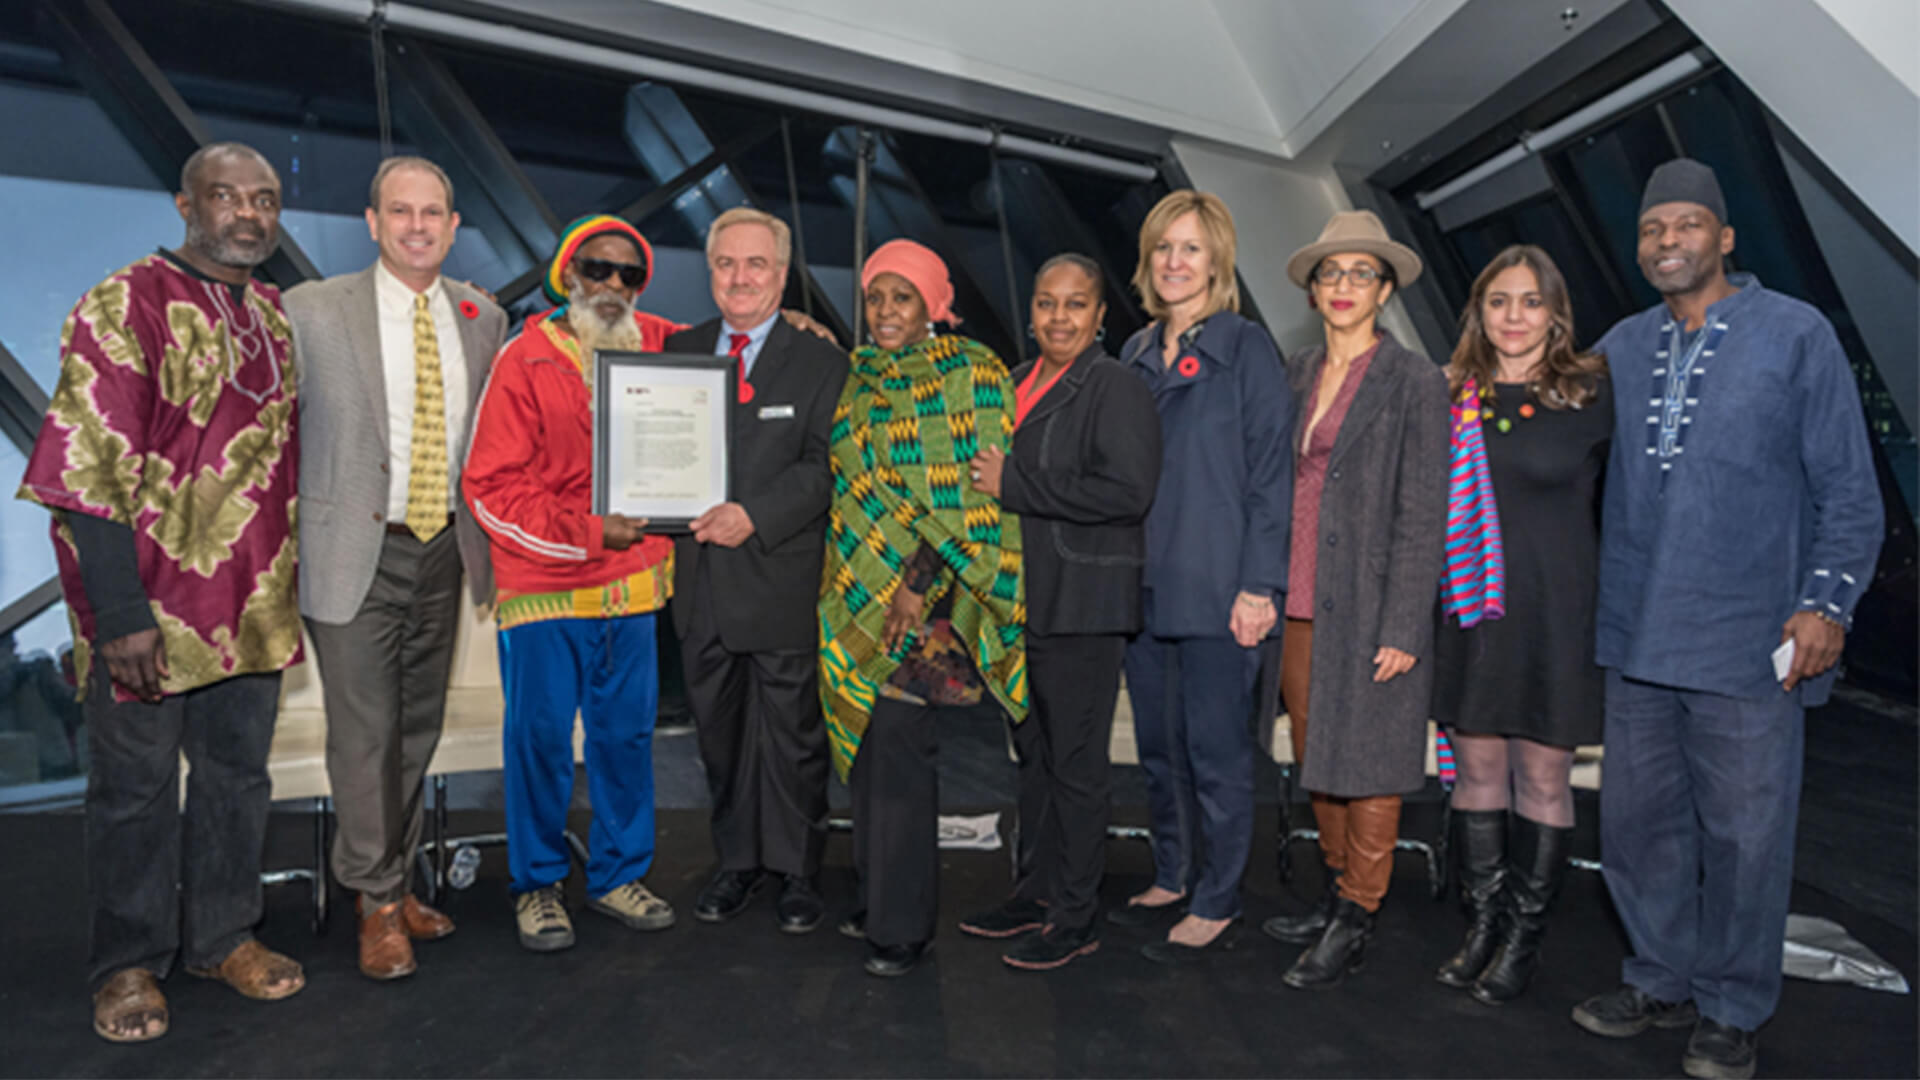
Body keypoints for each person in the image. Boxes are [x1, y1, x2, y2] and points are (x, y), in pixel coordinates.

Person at [1570, 158, 1882, 1080]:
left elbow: (1850, 489)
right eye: (1652, 230)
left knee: (1746, 836)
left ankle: (1732, 1005)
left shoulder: (1796, 335)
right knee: (1635, 826)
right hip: (1636, 633)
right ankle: (1661, 978)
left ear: (1725, 236)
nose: (1668, 242)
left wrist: (1826, 603)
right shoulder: (1623, 346)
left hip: (1752, 639)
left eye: (1686, 225)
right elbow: (1542, 423)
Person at [16, 142, 307, 1042]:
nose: (248, 214)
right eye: (228, 196)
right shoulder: (125, 301)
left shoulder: (274, 316)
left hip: (252, 610)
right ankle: (129, 963)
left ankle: (224, 936)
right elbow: (86, 470)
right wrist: (119, 615)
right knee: (134, 794)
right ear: (187, 202)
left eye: (264, 199)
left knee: (235, 783)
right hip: (149, 612)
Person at [283, 156, 506, 980]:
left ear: (453, 227)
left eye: (434, 212)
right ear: (373, 222)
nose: (418, 225)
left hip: (446, 547)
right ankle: (375, 903)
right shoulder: (310, 309)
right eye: (400, 211)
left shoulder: (486, 316)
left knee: (417, 727)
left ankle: (395, 880)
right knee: (365, 731)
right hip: (352, 553)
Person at [462, 215, 683, 952]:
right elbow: (490, 487)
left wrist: (801, 327)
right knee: (541, 742)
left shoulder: (660, 343)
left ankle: (619, 874)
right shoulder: (525, 358)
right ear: (567, 275)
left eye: (630, 274)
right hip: (545, 584)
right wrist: (589, 533)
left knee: (625, 739)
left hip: (634, 587)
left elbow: (741, 366)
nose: (613, 286)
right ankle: (537, 885)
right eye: (598, 269)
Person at [818, 239, 1027, 977]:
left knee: (904, 753)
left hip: (928, 598)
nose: (885, 313)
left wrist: (917, 578)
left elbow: (973, 495)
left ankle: (901, 929)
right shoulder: (859, 375)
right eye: (875, 297)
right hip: (857, 588)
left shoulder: (973, 373)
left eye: (902, 297)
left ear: (934, 304)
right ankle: (878, 896)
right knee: (873, 752)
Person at [1260, 209, 1448, 990]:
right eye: (1330, 273)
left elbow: (1423, 509)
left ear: (1384, 288)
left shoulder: (1414, 380)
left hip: (1374, 607)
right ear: (1311, 290)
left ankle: (1359, 913)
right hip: (1300, 602)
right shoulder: (1294, 371)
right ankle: (1337, 887)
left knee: (1369, 763)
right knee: (1318, 757)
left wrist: (1406, 620)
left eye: (1361, 273)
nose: (1344, 286)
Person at [964, 253, 1161, 970]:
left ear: (1100, 316)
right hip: (1017, 605)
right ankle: (1034, 893)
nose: (1059, 317)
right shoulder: (1014, 383)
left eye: (1076, 305)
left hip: (1081, 604)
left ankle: (1077, 915)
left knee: (1077, 765)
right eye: (1047, 303)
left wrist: (1015, 482)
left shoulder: (1115, 387)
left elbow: (1127, 492)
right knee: (1034, 761)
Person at [1114, 190, 1294, 962]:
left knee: (1217, 753)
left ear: (1217, 262)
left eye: (1190, 249)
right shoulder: (1131, 354)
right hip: (1143, 586)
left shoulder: (1247, 347)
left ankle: (1218, 896)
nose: (1174, 263)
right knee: (1159, 747)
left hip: (1222, 587)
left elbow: (1270, 477)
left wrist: (1260, 586)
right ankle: (1172, 869)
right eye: (1163, 248)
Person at [1428, 244, 1612, 1004]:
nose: (1514, 315)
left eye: (1531, 301)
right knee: (1476, 774)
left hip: (1558, 617)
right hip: (1473, 613)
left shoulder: (1593, 394)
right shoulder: (1450, 396)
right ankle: (1480, 924)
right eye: (1499, 300)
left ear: (1555, 313)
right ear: (1479, 311)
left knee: (1542, 777)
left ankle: (1522, 938)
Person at [665, 208, 849, 934]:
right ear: (710, 271)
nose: (740, 278)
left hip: (780, 577)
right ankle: (737, 861)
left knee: (794, 738)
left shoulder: (823, 361)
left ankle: (800, 870)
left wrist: (755, 514)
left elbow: (824, 467)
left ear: (782, 273)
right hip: (703, 585)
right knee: (720, 735)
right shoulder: (678, 352)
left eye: (756, 265)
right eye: (726, 264)